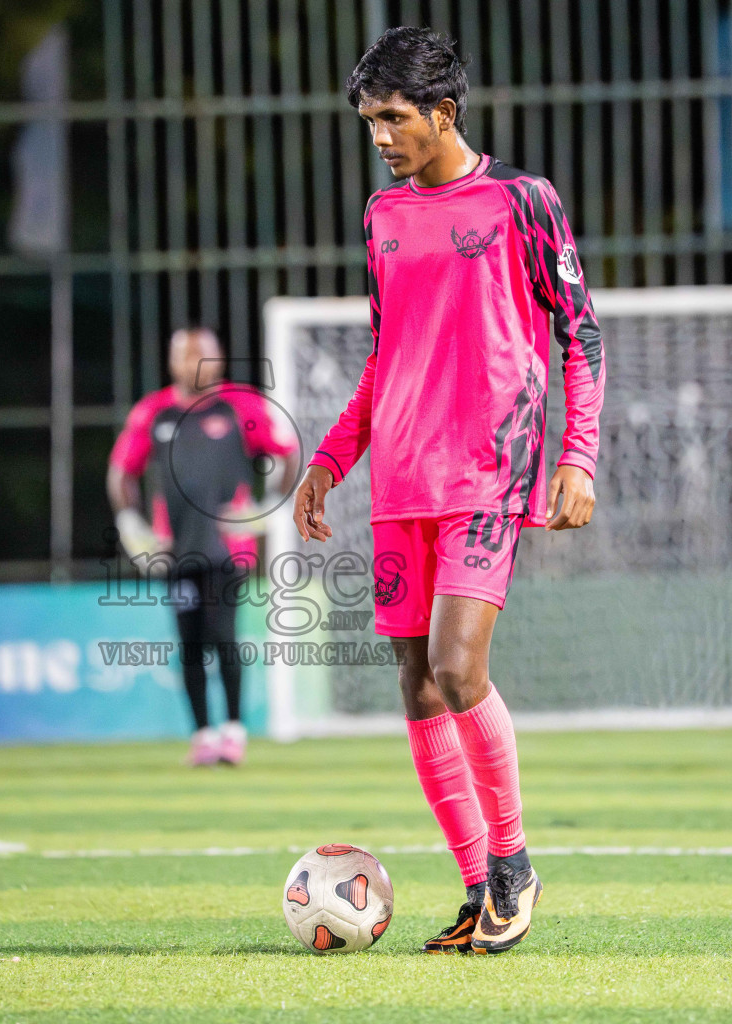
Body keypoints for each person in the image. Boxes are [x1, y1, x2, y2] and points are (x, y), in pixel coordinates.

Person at [291, 28, 605, 955]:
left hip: (488, 470)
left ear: (443, 114)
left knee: (460, 668)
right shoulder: (383, 217)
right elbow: (386, 354)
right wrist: (330, 460)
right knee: (420, 687)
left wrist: (577, 457)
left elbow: (580, 335)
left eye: (393, 118)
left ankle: (514, 866)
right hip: (399, 479)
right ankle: (476, 887)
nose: (381, 136)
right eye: (368, 121)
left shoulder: (522, 201)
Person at [108, 327, 299, 766]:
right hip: (174, 549)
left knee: (223, 635)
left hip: (228, 548)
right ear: (172, 361)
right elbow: (121, 472)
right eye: (187, 354)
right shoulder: (153, 413)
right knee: (189, 642)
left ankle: (233, 732)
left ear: (220, 358)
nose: (198, 362)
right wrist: (130, 523)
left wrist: (267, 508)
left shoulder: (242, 405)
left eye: (206, 353)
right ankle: (202, 736)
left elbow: (287, 454)